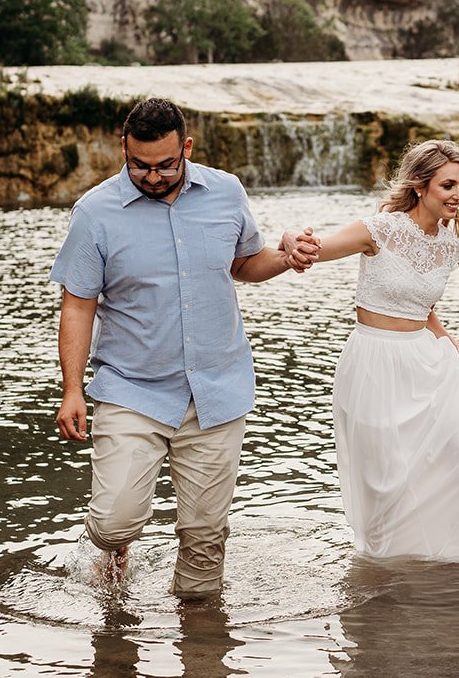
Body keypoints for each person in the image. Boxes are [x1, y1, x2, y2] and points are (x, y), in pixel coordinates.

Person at [50, 97, 315, 598]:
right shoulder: (94, 213)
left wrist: (286, 257)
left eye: (165, 165)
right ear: (123, 149)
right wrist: (72, 389)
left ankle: (203, 643)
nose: (151, 176)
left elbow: (244, 264)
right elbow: (79, 305)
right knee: (112, 522)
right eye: (138, 165)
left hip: (217, 389)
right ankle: (115, 552)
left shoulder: (226, 191)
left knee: (204, 539)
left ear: (186, 148)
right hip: (132, 389)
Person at [300, 139, 459, 564]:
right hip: (374, 363)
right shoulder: (379, 229)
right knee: (387, 481)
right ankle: (386, 569)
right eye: (448, 185)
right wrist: (296, 241)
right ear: (420, 186)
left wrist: (454, 350)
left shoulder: (449, 244)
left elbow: (426, 308)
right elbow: (316, 250)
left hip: (426, 360)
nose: (458, 195)